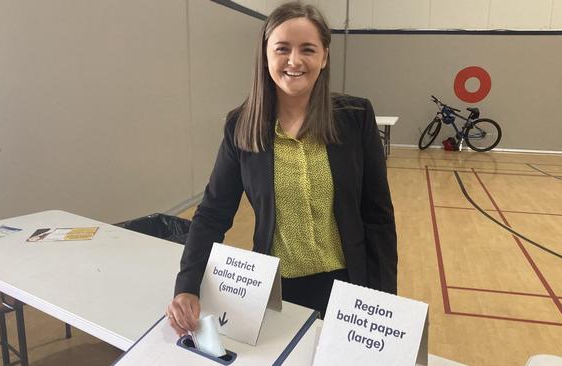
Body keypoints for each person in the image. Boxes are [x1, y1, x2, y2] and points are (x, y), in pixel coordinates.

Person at [166, 1, 397, 336]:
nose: (294, 61)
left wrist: (385, 298)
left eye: (308, 49)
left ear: (324, 57)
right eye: (282, 49)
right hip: (277, 291)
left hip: (351, 287)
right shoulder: (242, 126)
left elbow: (378, 216)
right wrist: (187, 284)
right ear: (266, 55)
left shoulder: (355, 116)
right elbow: (213, 212)